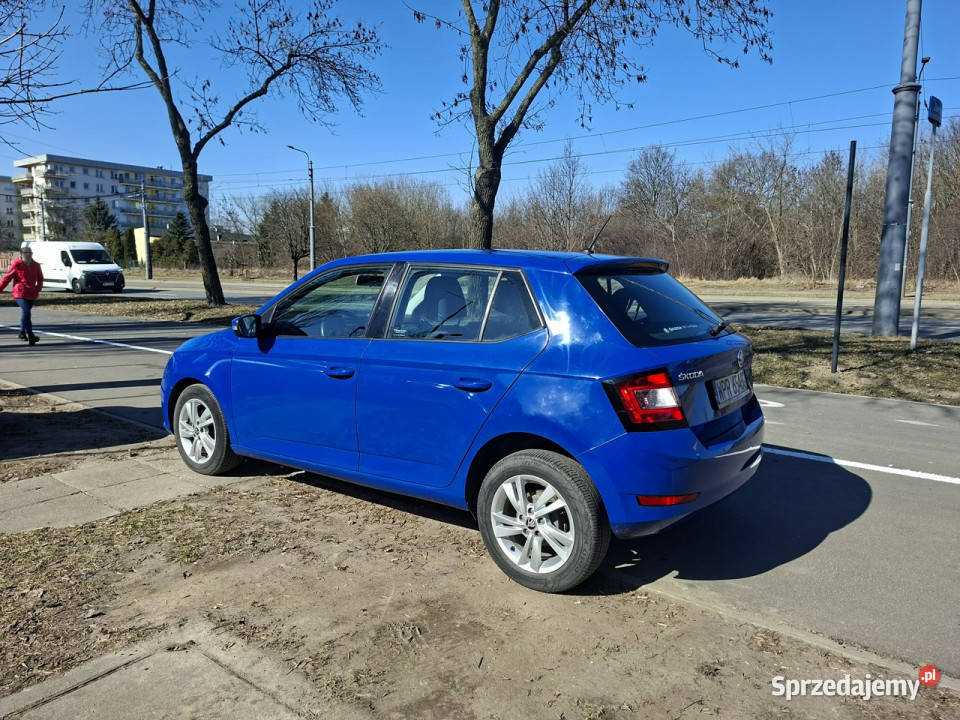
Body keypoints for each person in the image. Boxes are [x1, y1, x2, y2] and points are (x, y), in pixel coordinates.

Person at [1, 244, 43, 345]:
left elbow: (40, 279)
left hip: (32, 293)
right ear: (21, 254)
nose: (29, 254)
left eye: (30, 253)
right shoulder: (16, 265)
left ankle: (22, 332)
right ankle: (31, 335)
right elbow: (7, 278)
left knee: (26, 313)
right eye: (26, 253)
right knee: (26, 312)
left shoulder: (36, 265)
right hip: (19, 292)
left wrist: (37, 289)